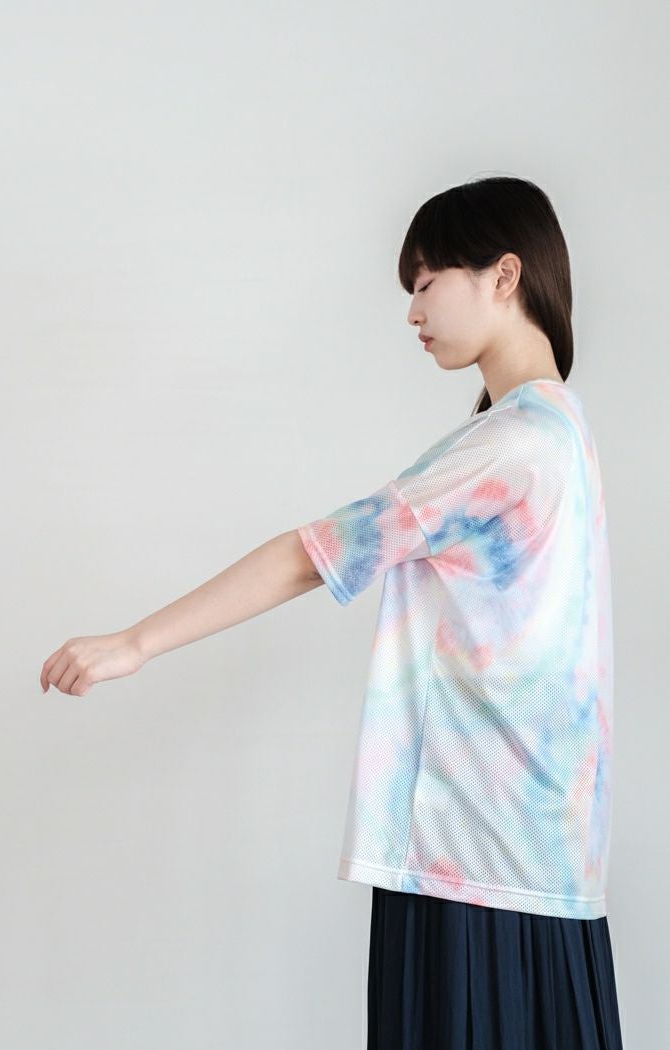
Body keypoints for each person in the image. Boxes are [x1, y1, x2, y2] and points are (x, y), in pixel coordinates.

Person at [39, 175, 623, 1049]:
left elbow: (310, 555)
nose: (413, 310)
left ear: (504, 275)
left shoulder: (511, 443)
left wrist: (135, 643)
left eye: (426, 281)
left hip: (474, 860)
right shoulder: (561, 430)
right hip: (538, 858)